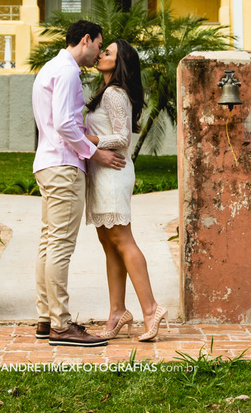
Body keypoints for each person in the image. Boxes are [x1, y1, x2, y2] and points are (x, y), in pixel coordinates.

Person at [32, 19, 127, 347]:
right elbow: (65, 124)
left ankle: (46, 318)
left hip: (46, 163)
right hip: (63, 165)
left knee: (48, 242)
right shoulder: (69, 70)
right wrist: (96, 153)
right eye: (99, 46)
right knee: (60, 245)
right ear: (86, 39)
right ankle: (61, 324)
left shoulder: (49, 68)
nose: (99, 53)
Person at [84, 39, 168, 342]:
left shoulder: (115, 94)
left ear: (119, 63)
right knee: (109, 241)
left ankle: (151, 310)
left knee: (122, 238)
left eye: (108, 53)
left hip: (113, 172)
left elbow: (121, 138)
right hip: (102, 172)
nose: (101, 54)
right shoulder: (107, 93)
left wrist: (87, 139)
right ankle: (118, 312)